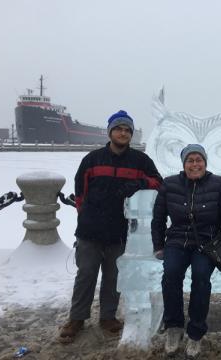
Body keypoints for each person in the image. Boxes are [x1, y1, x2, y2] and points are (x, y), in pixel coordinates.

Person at [58, 110, 162, 343]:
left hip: (121, 230)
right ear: (110, 132)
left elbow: (158, 182)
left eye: (127, 130)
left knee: (114, 275)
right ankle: (77, 318)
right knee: (86, 274)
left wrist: (139, 182)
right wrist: (85, 215)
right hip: (90, 230)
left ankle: (107, 316)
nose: (123, 133)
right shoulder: (92, 159)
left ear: (131, 134)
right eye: (119, 129)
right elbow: (80, 192)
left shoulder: (141, 161)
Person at [152, 144, 221, 359]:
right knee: (171, 274)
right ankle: (173, 327)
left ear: (205, 163)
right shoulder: (170, 184)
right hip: (177, 240)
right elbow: (159, 218)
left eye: (199, 160)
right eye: (190, 160)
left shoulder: (219, 184)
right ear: (183, 164)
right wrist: (158, 246)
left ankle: (196, 332)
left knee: (201, 277)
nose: (195, 164)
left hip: (206, 242)